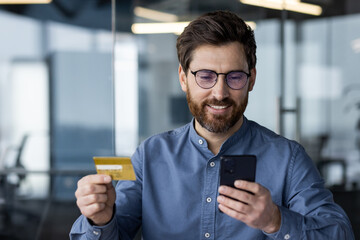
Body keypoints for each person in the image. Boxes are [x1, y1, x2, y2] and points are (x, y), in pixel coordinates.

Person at [70, 10, 354, 240]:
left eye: (234, 77)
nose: (219, 93)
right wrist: (100, 218)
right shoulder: (150, 156)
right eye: (205, 76)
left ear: (251, 78)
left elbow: (338, 233)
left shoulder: (288, 159)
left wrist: (274, 220)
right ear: (183, 78)